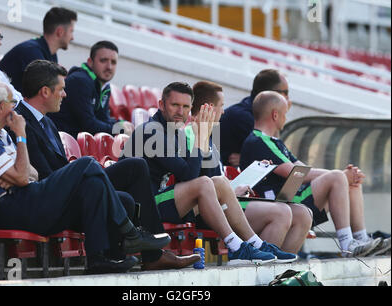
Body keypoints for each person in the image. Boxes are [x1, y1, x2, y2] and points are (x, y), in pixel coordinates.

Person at [0, 75, 171, 274]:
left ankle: (98, 259)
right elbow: (24, 177)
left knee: (103, 190)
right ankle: (131, 233)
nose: (14, 107)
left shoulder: (0, 135)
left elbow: (29, 173)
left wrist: (17, 175)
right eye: (10, 102)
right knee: (87, 164)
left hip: (23, 198)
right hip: (9, 209)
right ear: (0, 108)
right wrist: (21, 138)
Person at [12, 59, 199, 270]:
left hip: (67, 190)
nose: (65, 94)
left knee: (134, 172)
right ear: (45, 92)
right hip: (51, 199)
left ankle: (135, 253)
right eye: (61, 89)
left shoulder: (47, 121)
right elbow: (45, 176)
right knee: (89, 165)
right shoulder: (19, 122)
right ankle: (141, 245)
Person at [122, 81, 301, 265]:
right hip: (143, 208)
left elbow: (193, 174)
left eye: (185, 107)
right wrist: (201, 136)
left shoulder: (175, 132)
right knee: (205, 183)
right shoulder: (152, 132)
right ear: (161, 105)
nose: (180, 111)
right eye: (175, 105)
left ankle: (255, 243)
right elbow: (190, 176)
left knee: (218, 182)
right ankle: (236, 246)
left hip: (159, 201)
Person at [239, 91, 389, 257]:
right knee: (339, 177)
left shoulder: (273, 141)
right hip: (282, 201)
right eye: (284, 114)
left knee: (349, 181)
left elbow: (301, 167)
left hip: (290, 198)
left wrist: (344, 176)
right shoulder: (258, 140)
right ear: (275, 115)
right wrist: (339, 175)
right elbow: (293, 172)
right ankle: (347, 244)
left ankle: (361, 239)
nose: (286, 119)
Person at [185, 81, 312, 254]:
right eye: (221, 106)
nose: (223, 111)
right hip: (211, 211)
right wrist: (231, 191)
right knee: (281, 212)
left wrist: (250, 177)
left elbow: (217, 178)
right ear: (209, 108)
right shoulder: (190, 135)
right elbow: (197, 182)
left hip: (229, 201)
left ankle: (280, 268)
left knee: (303, 214)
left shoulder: (210, 137)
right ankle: (258, 262)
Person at [48, 40, 134, 137]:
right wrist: (117, 127)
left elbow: (102, 118)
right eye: (103, 60)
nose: (109, 67)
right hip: (60, 141)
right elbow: (88, 125)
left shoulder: (104, 86)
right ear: (90, 62)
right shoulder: (80, 81)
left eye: (113, 62)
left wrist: (122, 123)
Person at [219, 69, 290, 167]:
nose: (287, 98)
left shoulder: (250, 109)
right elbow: (276, 153)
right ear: (271, 93)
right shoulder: (244, 117)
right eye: (285, 92)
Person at [0, 7, 77, 92]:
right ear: (60, 32)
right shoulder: (32, 52)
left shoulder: (50, 54)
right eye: (71, 31)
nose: (72, 38)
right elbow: (44, 95)